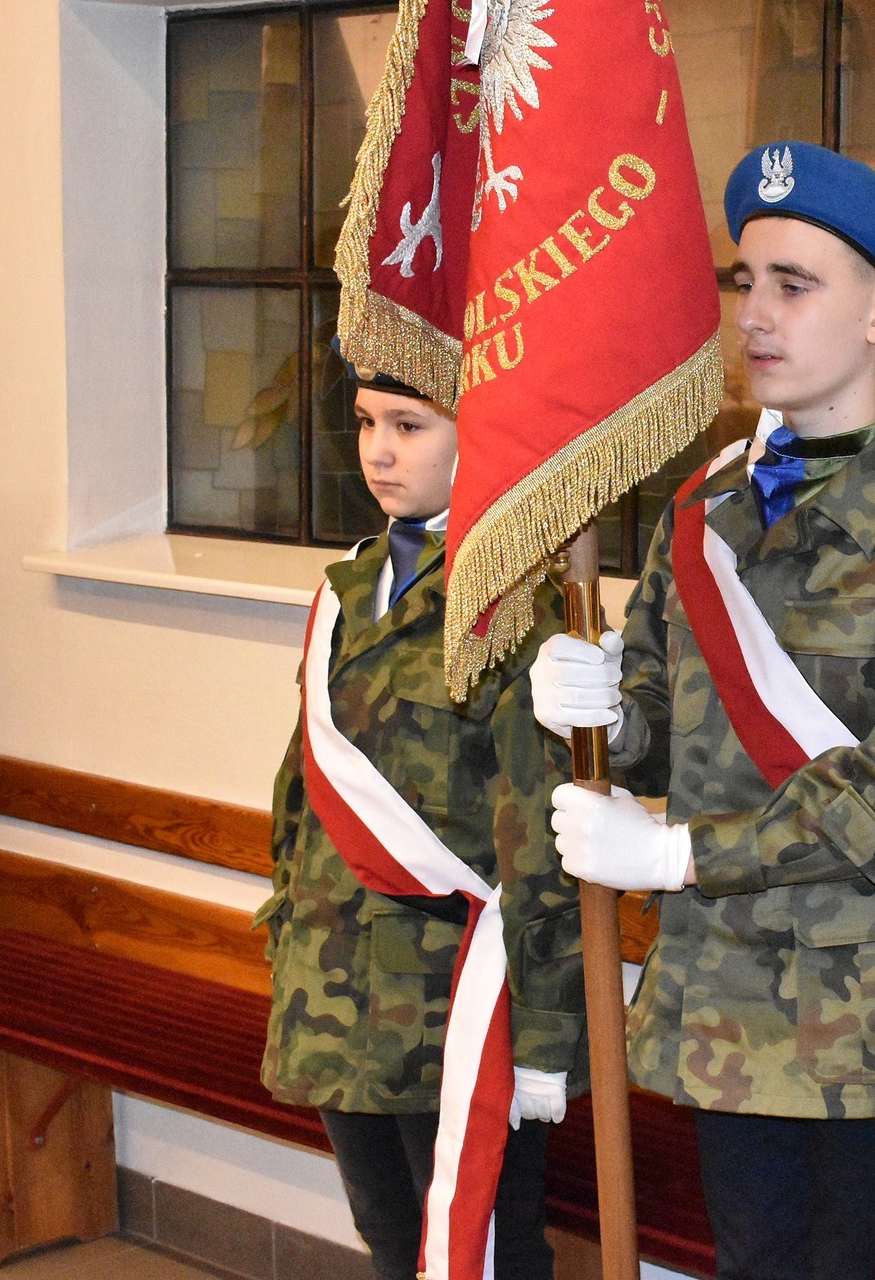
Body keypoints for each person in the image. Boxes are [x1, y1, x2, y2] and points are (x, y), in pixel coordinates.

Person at [530, 141, 875, 1280]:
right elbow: (661, 719)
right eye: (744, 281)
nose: (755, 314)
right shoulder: (709, 503)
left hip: (864, 1015)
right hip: (726, 1003)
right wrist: (593, 707)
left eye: (795, 285)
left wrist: (677, 853)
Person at [257, 357, 585, 1280]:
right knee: (392, 1238)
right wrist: (286, 931)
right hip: (334, 984)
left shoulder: (516, 610)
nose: (378, 451)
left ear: (479, 436)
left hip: (452, 1000)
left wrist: (543, 1037)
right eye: (367, 422)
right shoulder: (350, 588)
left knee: (486, 1246)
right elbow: (300, 790)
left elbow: (541, 845)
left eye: (409, 426)